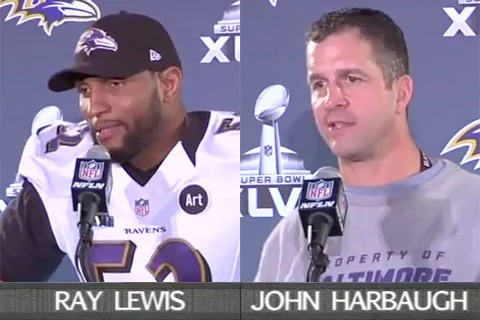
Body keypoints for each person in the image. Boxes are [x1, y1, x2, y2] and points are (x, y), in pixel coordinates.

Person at [0, 11, 240, 282]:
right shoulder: (63, 165)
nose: (94, 108)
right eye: (85, 90)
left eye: (115, 83)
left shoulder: (234, 152)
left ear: (168, 85)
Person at [254, 8, 480, 282]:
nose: (331, 99)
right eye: (319, 84)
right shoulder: (293, 237)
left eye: (351, 79)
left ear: (401, 92)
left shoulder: (471, 206)